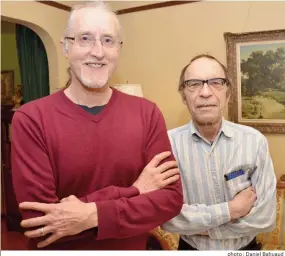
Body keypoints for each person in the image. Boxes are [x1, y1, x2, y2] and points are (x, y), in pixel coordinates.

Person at [11, 1, 183, 250]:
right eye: (85, 38)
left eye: (108, 40)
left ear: (119, 49)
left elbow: (170, 201)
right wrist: (133, 191)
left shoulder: (147, 113)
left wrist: (87, 214)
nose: (98, 52)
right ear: (66, 47)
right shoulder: (30, 119)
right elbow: (42, 225)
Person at [162, 54, 276, 250]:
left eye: (216, 83)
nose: (205, 92)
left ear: (228, 93)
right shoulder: (167, 145)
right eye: (194, 84)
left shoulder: (254, 141)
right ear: (183, 96)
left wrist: (204, 228)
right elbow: (169, 219)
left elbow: (265, 218)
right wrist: (231, 210)